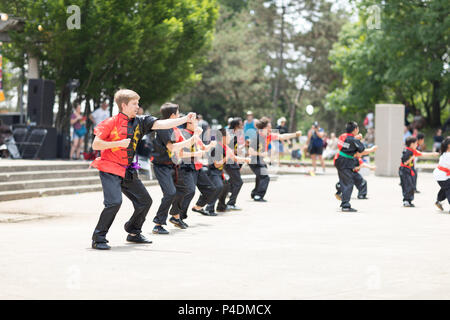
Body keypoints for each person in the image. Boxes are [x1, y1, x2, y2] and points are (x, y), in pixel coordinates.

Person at [89, 90, 196, 250]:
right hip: (110, 167)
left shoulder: (140, 121)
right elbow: (95, 144)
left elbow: (162, 124)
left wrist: (184, 119)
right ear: (124, 105)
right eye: (134, 104)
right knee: (114, 203)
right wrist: (116, 144)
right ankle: (99, 237)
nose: (137, 107)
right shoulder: (110, 122)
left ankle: (133, 231)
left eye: (138, 103)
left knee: (145, 201)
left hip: (128, 170)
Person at [151, 103, 202, 234]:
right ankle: (158, 223)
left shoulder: (175, 129)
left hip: (173, 165)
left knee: (185, 189)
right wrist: (193, 138)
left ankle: (175, 216)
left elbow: (184, 145)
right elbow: (172, 147)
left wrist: (195, 135)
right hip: (161, 165)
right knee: (170, 193)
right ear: (173, 115)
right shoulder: (163, 127)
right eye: (178, 113)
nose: (179, 116)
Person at [248, 117, 301, 202]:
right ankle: (258, 195)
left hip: (259, 160)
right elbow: (250, 151)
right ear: (264, 128)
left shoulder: (268, 136)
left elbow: (282, 136)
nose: (271, 129)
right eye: (269, 127)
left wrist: (295, 134)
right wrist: (261, 154)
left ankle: (254, 193)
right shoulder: (257, 136)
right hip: (254, 160)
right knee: (265, 177)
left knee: (260, 176)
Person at [173, 118, 218, 220]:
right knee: (189, 191)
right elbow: (180, 154)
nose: (197, 124)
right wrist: (196, 154)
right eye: (195, 122)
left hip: (197, 166)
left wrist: (210, 145)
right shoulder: (183, 134)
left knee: (211, 189)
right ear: (188, 124)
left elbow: (203, 148)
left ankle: (198, 207)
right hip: (186, 166)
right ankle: (179, 216)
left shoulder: (195, 135)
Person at [334, 121, 377, 212]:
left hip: (339, 159)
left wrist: (356, 138)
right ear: (355, 129)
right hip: (346, 162)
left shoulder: (342, 136)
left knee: (344, 180)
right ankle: (345, 205)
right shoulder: (354, 140)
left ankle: (340, 192)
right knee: (348, 183)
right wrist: (372, 149)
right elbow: (361, 151)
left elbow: (348, 141)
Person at [204, 128, 249, 213]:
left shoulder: (225, 147)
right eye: (228, 135)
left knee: (226, 186)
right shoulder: (217, 147)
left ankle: (221, 206)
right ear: (223, 137)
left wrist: (245, 159)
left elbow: (234, 158)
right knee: (219, 186)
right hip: (212, 172)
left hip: (218, 172)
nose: (230, 137)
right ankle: (209, 208)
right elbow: (217, 164)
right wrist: (226, 157)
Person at [399, 136, 438, 207]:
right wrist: (411, 159)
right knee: (407, 185)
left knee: (411, 185)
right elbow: (404, 163)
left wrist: (432, 154)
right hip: (405, 170)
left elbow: (422, 154)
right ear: (411, 144)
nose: (417, 145)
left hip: (410, 170)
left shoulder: (413, 151)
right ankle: (406, 200)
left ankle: (409, 200)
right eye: (415, 143)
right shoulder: (406, 151)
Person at [224, 117, 246, 210]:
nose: (242, 125)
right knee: (238, 182)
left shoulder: (231, 133)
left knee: (232, 181)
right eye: (241, 124)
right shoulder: (232, 135)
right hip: (229, 161)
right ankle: (230, 203)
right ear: (237, 125)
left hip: (229, 161)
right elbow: (231, 151)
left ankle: (224, 194)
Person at [434, 137, 450, 212]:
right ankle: (439, 200)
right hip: (442, 176)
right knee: (448, 188)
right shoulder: (447, 155)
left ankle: (439, 201)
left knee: (445, 188)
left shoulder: (445, 154)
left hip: (442, 176)